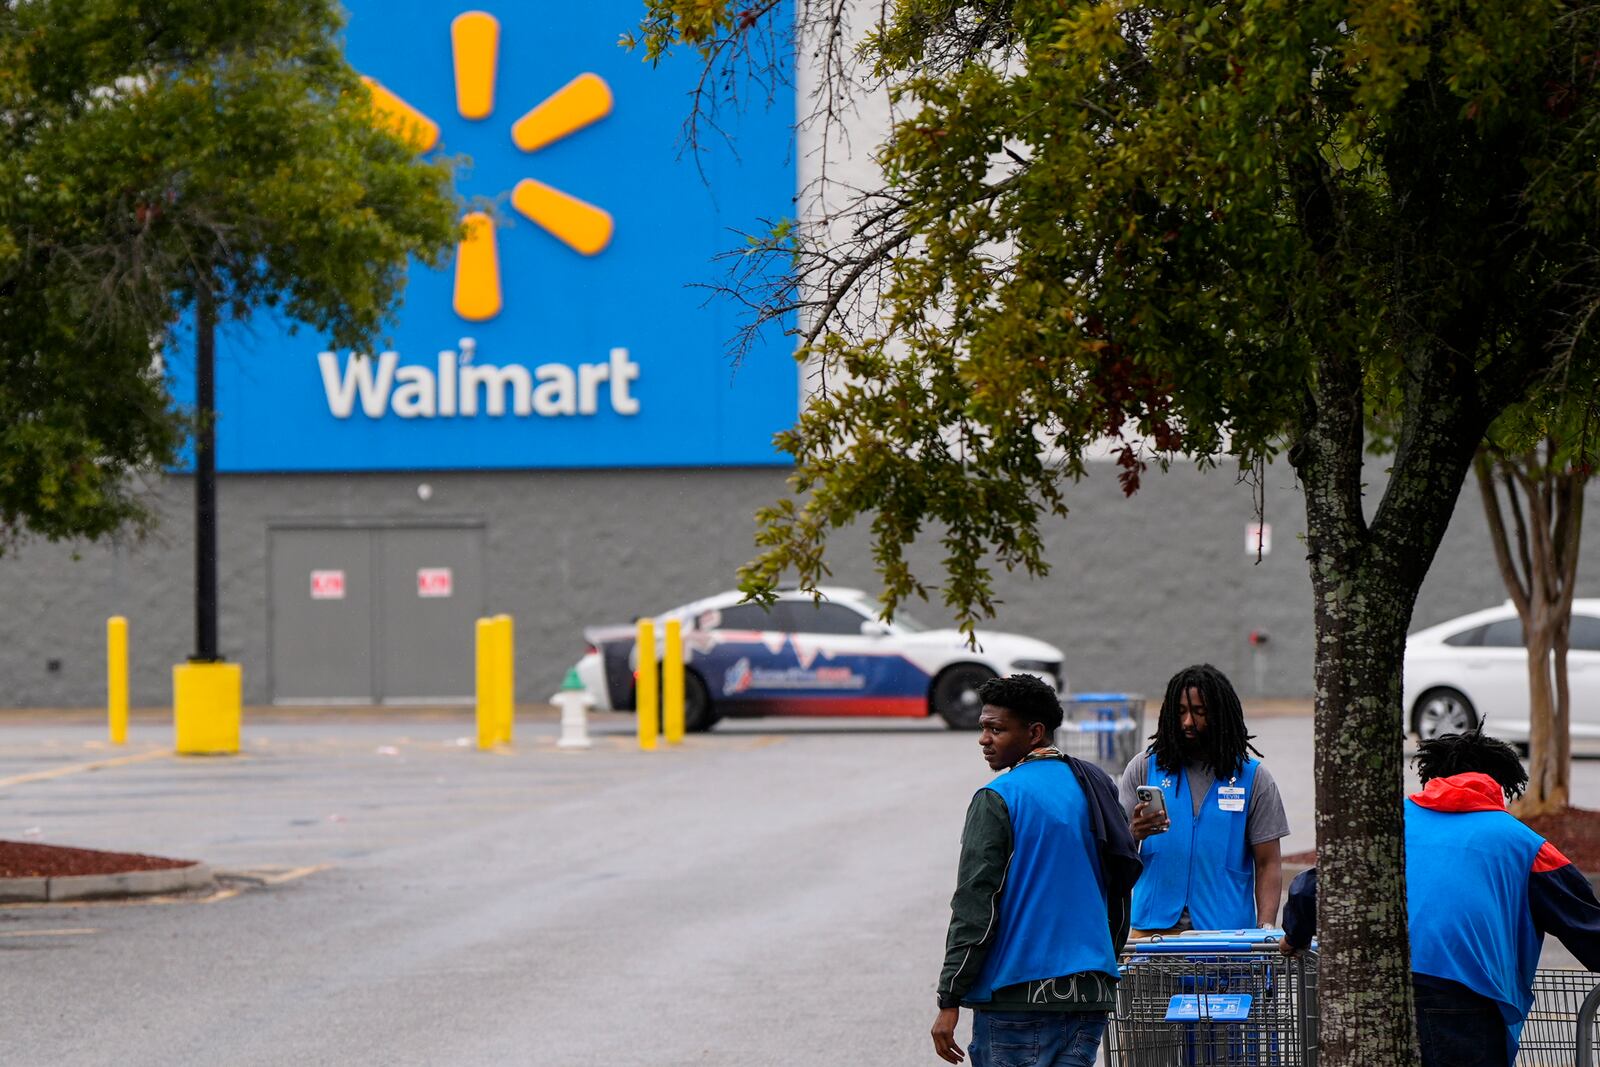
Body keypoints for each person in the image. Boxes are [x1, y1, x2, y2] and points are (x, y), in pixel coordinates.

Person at [1280, 726, 1600, 1067]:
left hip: (1374, 989)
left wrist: (1294, 935)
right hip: (1463, 1000)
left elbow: (1311, 887)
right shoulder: (1525, 845)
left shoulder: (1386, 823)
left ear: (1430, 777)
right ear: (1500, 786)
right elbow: (1587, 927)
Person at [932, 674, 1140, 1066]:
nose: (984, 739)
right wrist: (1104, 959)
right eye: (983, 728)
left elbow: (977, 904)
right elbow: (1121, 883)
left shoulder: (998, 798)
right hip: (1088, 995)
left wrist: (950, 997)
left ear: (1035, 732)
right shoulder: (1094, 785)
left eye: (997, 729)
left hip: (1015, 998)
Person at [1118, 664, 1287, 934]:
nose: (1188, 722)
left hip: (1229, 937)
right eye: (1181, 712)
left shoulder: (1254, 778)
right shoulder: (1143, 768)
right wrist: (1133, 834)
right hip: (1153, 933)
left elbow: (1268, 863)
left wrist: (1265, 929)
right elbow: (1116, 850)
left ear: (1219, 715)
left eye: (1199, 712)